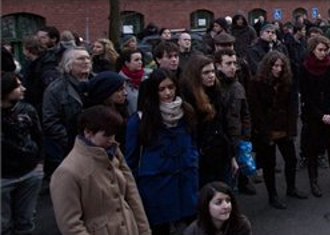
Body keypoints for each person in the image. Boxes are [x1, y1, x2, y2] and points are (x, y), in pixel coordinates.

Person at [50, 105, 151, 235]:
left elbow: (132, 195)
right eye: (107, 136)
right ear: (88, 132)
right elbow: (71, 226)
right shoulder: (67, 172)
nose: (112, 140)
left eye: (114, 135)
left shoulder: (114, 152)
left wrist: (144, 231)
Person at [126, 68, 198, 235]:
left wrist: (193, 162)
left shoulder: (186, 111)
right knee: (160, 228)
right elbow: (131, 158)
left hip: (185, 179)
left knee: (192, 226)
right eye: (161, 89)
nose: (167, 93)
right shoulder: (140, 120)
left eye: (171, 87)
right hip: (156, 184)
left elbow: (193, 141)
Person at [248, 51, 308, 209]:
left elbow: (292, 106)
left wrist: (292, 128)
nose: (279, 69)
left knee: (291, 159)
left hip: (283, 127)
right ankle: (272, 195)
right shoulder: (257, 83)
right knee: (269, 164)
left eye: (281, 66)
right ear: (268, 66)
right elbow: (256, 110)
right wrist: (263, 132)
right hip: (266, 128)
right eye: (275, 66)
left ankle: (291, 188)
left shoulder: (287, 82)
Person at [181, 56, 238, 187]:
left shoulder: (216, 93)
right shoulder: (190, 100)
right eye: (206, 73)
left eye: (212, 72)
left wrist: (232, 156)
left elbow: (224, 126)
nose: (211, 76)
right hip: (203, 159)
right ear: (196, 76)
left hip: (221, 154)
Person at [299, 36, 330, 196]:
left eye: (325, 50)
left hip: (329, 113)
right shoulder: (305, 68)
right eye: (320, 50)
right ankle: (313, 180)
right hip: (313, 114)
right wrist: (320, 115)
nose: (323, 53)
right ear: (313, 50)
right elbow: (306, 96)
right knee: (312, 149)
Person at [2, 72, 44, 235]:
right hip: (4, 176)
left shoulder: (27, 110)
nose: (23, 89)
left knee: (25, 221)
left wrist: (39, 163)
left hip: (29, 172)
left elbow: (38, 136)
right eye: (18, 86)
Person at [41, 48, 92, 175]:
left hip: (97, 144)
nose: (86, 61)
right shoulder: (55, 90)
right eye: (80, 59)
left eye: (88, 58)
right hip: (70, 149)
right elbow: (50, 121)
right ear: (68, 64)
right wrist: (71, 140)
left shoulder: (96, 82)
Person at [214, 48, 255, 195]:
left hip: (237, 139)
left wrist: (246, 134)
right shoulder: (215, 87)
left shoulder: (238, 86)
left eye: (234, 63)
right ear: (218, 65)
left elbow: (245, 112)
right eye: (228, 63)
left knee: (235, 178)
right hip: (221, 143)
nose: (233, 67)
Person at [183, 182, 252, 235]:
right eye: (218, 203)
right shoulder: (193, 232)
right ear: (206, 206)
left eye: (228, 201)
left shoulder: (241, 224)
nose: (226, 206)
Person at [84, 71, 129, 150]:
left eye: (124, 88)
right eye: (119, 90)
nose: (125, 93)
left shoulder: (122, 109)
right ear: (107, 92)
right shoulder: (94, 118)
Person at [118, 48, 145, 117]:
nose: (140, 62)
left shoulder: (145, 78)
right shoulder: (120, 81)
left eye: (140, 59)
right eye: (136, 60)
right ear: (127, 63)